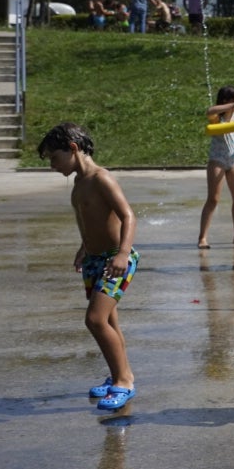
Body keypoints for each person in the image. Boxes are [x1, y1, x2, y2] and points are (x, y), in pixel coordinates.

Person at [38, 122, 140, 412]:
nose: (52, 166)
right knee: (109, 322)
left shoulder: (101, 178)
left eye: (54, 158)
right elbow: (90, 221)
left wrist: (122, 254)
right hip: (95, 260)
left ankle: (124, 382)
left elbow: (128, 216)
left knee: (95, 320)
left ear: (73, 148)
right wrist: (84, 247)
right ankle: (120, 373)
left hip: (115, 260)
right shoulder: (79, 183)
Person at [197, 86, 234, 250]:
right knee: (213, 199)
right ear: (227, 101)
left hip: (233, 161)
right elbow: (209, 111)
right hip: (217, 161)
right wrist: (232, 106)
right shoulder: (217, 118)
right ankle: (202, 237)